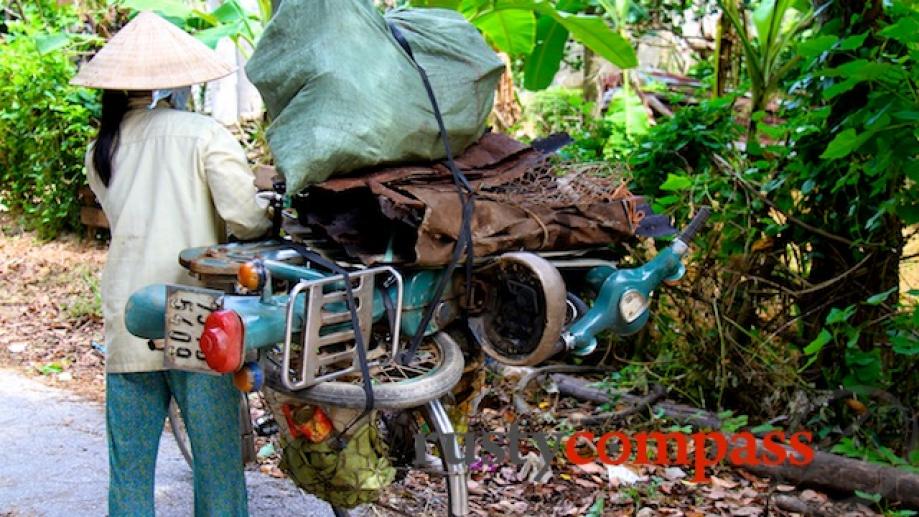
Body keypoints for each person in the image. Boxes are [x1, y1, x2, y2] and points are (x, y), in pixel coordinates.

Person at [71, 11, 271, 516]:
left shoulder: (102, 149)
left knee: (131, 472)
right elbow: (244, 218)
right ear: (176, 79)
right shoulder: (201, 133)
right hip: (195, 312)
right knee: (216, 464)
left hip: (127, 313)